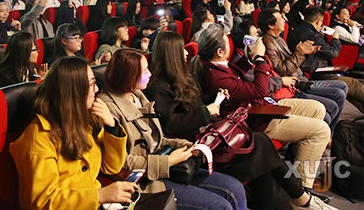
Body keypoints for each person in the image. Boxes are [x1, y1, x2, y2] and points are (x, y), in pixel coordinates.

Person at [145, 32, 338, 210]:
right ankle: (301, 197)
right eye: (181, 50)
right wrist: (206, 111)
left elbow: (197, 101)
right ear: (172, 54)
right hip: (200, 144)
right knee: (261, 144)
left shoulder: (184, 76)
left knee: (262, 151)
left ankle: (297, 198)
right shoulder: (160, 86)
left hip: (215, 131)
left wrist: (215, 98)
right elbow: (172, 124)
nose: (186, 53)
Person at [101, 49, 250, 210]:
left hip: (167, 165)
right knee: (221, 206)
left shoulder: (137, 95)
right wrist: (169, 161)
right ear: (128, 76)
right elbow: (123, 163)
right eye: (144, 71)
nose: (149, 74)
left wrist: (184, 145)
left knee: (235, 188)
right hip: (148, 181)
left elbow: (158, 139)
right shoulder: (108, 109)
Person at [193, 24, 331, 191]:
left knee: (317, 108)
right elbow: (259, 90)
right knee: (321, 131)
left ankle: (294, 166)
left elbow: (238, 78)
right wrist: (260, 58)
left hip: (260, 106)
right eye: (227, 43)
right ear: (220, 52)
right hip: (254, 118)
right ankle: (302, 189)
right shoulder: (215, 78)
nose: (230, 45)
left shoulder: (216, 65)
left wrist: (249, 58)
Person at [10, 56, 133, 209]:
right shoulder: (39, 137)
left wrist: (112, 127)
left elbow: (111, 167)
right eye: (91, 84)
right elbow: (43, 202)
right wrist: (99, 195)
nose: (96, 89)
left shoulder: (86, 120)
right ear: (73, 92)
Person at [253, 9, 348, 134]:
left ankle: (329, 134)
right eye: (280, 18)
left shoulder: (279, 39)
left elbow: (290, 62)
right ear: (271, 25)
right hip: (294, 84)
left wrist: (304, 53)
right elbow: (282, 70)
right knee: (337, 96)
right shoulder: (267, 42)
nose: (283, 20)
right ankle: (326, 135)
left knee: (342, 87)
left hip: (300, 78)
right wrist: (300, 53)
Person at [287, 7, 364, 114]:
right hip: (317, 72)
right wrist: (335, 39)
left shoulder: (296, 30)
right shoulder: (312, 35)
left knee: (349, 89)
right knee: (353, 84)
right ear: (318, 22)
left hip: (306, 69)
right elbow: (332, 53)